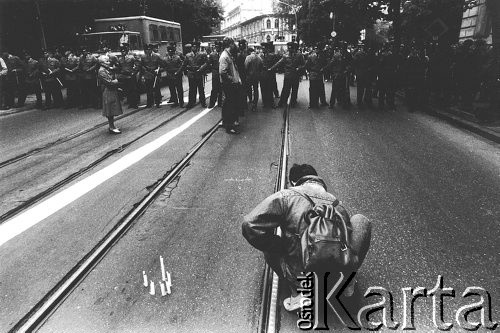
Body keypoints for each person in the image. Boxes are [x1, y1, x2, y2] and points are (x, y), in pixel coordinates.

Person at [242, 164, 371, 310]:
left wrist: (282, 246)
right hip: (335, 274)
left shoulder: (287, 196)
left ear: (294, 182)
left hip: (301, 277)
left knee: (270, 244)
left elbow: (249, 225)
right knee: (361, 221)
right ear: (317, 180)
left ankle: (298, 293)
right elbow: (346, 240)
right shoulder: (337, 205)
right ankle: (347, 282)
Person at [270, 42, 305, 108]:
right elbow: (279, 63)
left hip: (295, 75)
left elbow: (303, 64)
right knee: (285, 90)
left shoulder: (299, 55)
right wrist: (271, 68)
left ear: (294, 48)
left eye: (291, 48)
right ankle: (282, 102)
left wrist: (299, 69)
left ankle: (293, 102)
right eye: (288, 48)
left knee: (294, 90)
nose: (289, 50)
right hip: (288, 75)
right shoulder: (285, 55)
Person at [219, 37, 242, 134]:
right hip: (229, 85)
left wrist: (237, 79)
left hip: (232, 84)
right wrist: (232, 80)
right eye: (233, 44)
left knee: (229, 105)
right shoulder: (225, 56)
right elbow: (223, 72)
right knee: (230, 106)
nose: (234, 45)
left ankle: (227, 123)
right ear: (230, 45)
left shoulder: (229, 55)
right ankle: (230, 127)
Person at [98, 55, 123, 134]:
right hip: (108, 91)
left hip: (111, 90)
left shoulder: (106, 69)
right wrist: (118, 80)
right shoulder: (102, 71)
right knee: (110, 109)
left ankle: (112, 126)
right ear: (102, 63)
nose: (108, 62)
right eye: (107, 61)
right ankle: (111, 127)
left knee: (112, 108)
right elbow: (109, 82)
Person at [184, 42, 208, 108]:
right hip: (191, 74)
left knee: (201, 89)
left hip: (199, 73)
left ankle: (203, 102)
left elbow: (206, 63)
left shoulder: (202, 54)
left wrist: (201, 68)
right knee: (192, 89)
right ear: (191, 48)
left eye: (195, 47)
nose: (194, 48)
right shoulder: (188, 55)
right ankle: (191, 103)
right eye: (193, 47)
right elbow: (184, 64)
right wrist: (186, 69)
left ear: (197, 47)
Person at [117, 43, 140, 109]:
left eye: (124, 51)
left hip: (131, 75)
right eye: (121, 51)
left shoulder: (131, 57)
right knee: (127, 90)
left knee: (133, 90)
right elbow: (119, 67)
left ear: (126, 51)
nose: (122, 52)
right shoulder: (120, 59)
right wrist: (119, 71)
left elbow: (137, 65)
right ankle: (130, 103)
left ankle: (135, 103)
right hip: (124, 76)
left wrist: (134, 72)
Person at [305, 43, 327, 109]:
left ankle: (313, 103)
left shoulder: (311, 55)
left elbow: (307, 65)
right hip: (317, 74)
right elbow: (325, 64)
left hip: (314, 74)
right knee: (320, 89)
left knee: (313, 89)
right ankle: (320, 102)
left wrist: (310, 71)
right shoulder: (323, 55)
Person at [244, 47, 263, 112]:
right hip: (256, 77)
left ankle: (250, 100)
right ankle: (255, 105)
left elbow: (245, 67)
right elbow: (261, 67)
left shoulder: (248, 57)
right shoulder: (259, 58)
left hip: (249, 76)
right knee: (255, 90)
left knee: (248, 88)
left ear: (248, 52)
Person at [260, 42, 276, 108]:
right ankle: (265, 103)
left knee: (270, 89)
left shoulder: (272, 56)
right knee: (263, 89)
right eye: (262, 48)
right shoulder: (260, 56)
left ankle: (271, 103)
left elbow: (275, 65)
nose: (262, 49)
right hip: (262, 75)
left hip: (270, 75)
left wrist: (271, 69)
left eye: (264, 48)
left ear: (267, 48)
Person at [207, 41, 223, 108]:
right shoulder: (212, 54)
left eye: (218, 46)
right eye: (216, 46)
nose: (217, 47)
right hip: (215, 73)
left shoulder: (223, 54)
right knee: (214, 89)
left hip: (222, 73)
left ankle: (220, 103)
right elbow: (208, 63)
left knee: (221, 89)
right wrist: (212, 69)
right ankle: (212, 103)